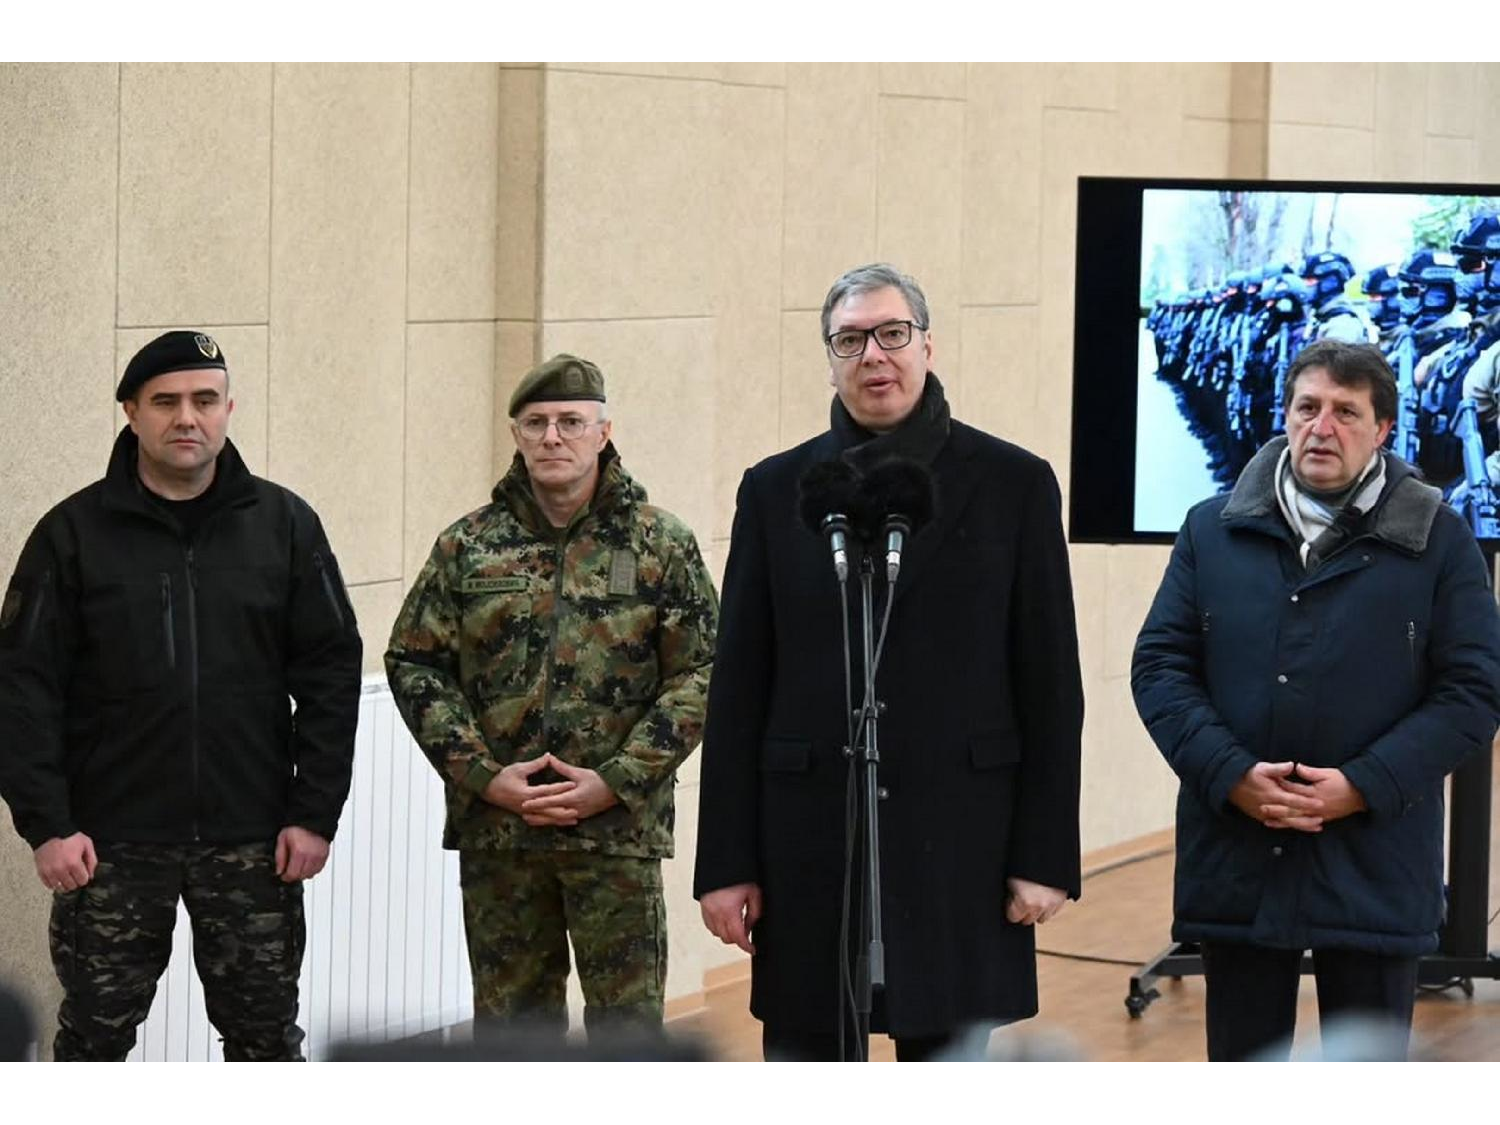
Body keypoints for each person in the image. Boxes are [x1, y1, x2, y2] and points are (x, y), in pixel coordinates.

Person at [694, 263, 1084, 1061]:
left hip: (961, 840)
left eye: (892, 333)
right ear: (830, 358)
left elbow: (1050, 685)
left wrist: (1044, 856)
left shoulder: (1013, 483)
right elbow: (737, 690)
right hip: (809, 839)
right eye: (850, 339)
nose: (873, 354)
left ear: (927, 346)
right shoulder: (776, 490)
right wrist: (725, 863)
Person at [1133, 339, 1500, 1061]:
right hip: (1238, 854)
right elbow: (1160, 667)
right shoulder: (1211, 529)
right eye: (1307, 407)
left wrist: (1362, 785)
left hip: (1375, 861)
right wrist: (1231, 773)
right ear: (1286, 415)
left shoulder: (1441, 540)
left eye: (1345, 412)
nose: (1321, 427)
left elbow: (1475, 689)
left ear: (1383, 428)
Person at [0, 330, 362, 1061]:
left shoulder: (285, 525)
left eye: (204, 399)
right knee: (93, 1040)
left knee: (265, 1039)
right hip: (109, 843)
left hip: (253, 840)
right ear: (132, 412)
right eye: (165, 401)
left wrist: (314, 812)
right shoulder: (72, 535)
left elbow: (330, 672)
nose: (187, 417)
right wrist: (47, 824)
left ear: (230, 408)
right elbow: (21, 685)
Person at [385, 354, 717, 1040]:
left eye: (571, 421)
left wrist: (616, 780)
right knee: (513, 1035)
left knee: (627, 1035)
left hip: (615, 834)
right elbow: (415, 662)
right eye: (535, 423)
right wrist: (483, 775)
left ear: (604, 432)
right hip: (502, 834)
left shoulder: (659, 543)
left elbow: (703, 672)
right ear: (516, 434)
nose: (553, 437)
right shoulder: (469, 545)